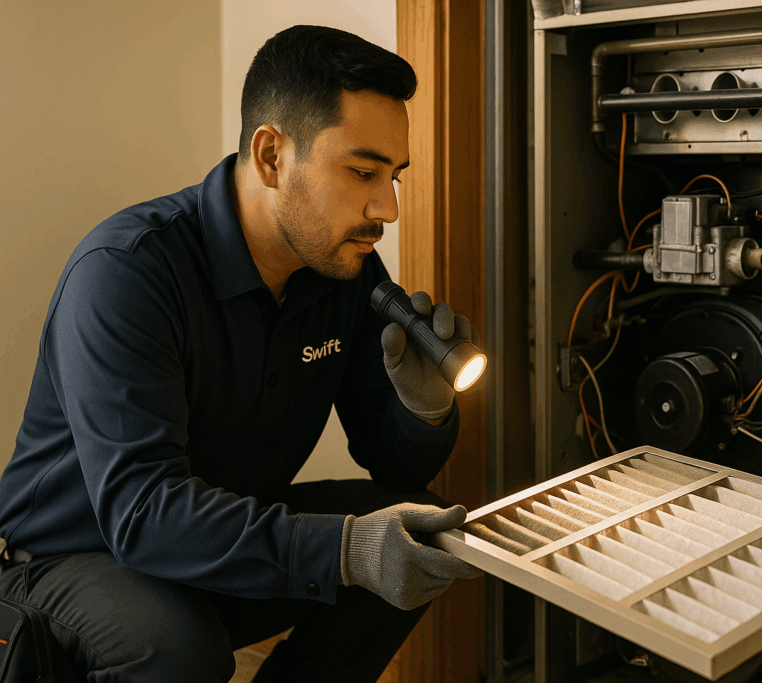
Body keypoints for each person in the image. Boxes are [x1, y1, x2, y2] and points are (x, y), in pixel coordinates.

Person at [0, 25, 481, 682]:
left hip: (214, 543)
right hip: (70, 560)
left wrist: (425, 411)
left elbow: (390, 462)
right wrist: (341, 549)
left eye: (394, 176)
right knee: (175, 645)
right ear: (271, 155)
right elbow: (143, 514)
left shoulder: (345, 272)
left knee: (414, 538)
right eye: (363, 172)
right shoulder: (126, 273)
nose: (388, 207)